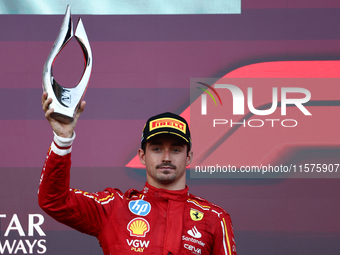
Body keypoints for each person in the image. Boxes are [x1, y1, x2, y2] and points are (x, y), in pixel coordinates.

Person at [39, 92, 237, 255]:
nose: (166, 157)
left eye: (176, 150)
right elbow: (54, 200)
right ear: (142, 156)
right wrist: (62, 139)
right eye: (157, 149)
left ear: (189, 157)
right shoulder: (115, 208)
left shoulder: (214, 219)